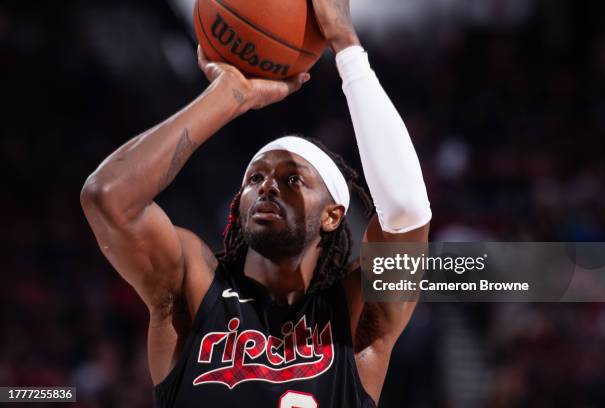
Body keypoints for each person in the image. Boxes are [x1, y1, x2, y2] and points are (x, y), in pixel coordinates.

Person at [80, 0, 431, 406]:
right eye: (255, 178)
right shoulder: (195, 289)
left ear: (334, 215)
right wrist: (229, 96)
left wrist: (348, 48)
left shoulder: (356, 316)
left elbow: (405, 210)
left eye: (293, 179)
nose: (267, 187)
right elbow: (107, 197)